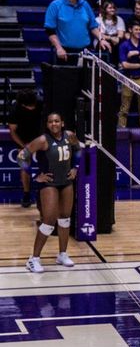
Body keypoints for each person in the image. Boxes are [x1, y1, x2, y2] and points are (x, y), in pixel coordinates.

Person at [21, 112, 81, 273]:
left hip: (66, 182)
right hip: (49, 184)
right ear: (47, 125)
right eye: (50, 122)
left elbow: (78, 150)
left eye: (56, 121)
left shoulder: (70, 136)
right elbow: (22, 156)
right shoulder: (42, 140)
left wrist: (76, 168)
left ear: (62, 123)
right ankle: (33, 259)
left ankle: (62, 254)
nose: (53, 124)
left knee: (65, 220)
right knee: (48, 222)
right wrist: (35, 175)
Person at [45, 0, 109, 65]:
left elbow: (93, 27)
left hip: (85, 52)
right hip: (65, 54)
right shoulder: (55, 5)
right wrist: (59, 48)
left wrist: (101, 39)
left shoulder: (85, 5)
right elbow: (50, 31)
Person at [8, 90, 42, 209]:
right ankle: (26, 194)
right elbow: (12, 131)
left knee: (48, 162)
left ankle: (46, 189)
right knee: (24, 165)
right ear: (22, 105)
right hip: (24, 138)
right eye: (29, 106)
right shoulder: (15, 109)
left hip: (41, 137)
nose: (32, 107)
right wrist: (23, 146)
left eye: (33, 105)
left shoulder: (41, 103)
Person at [118, 22, 140, 128]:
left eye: (139, 29)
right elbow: (125, 65)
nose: (138, 32)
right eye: (136, 29)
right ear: (130, 30)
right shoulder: (124, 45)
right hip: (128, 79)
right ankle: (121, 132)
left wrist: (138, 54)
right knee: (124, 109)